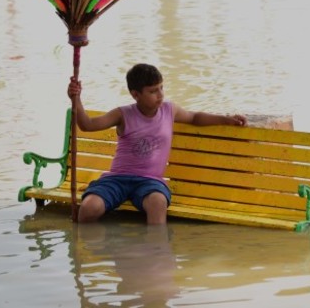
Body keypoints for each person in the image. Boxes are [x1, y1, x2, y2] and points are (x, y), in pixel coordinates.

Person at [67, 63, 247, 225]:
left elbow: (194, 117)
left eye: (161, 88)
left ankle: (154, 255)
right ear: (135, 94)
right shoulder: (123, 114)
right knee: (89, 208)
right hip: (117, 178)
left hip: (150, 181)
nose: (160, 95)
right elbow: (87, 125)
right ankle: (90, 249)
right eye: (153, 91)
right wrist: (76, 98)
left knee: (157, 203)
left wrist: (226, 119)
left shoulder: (169, 110)